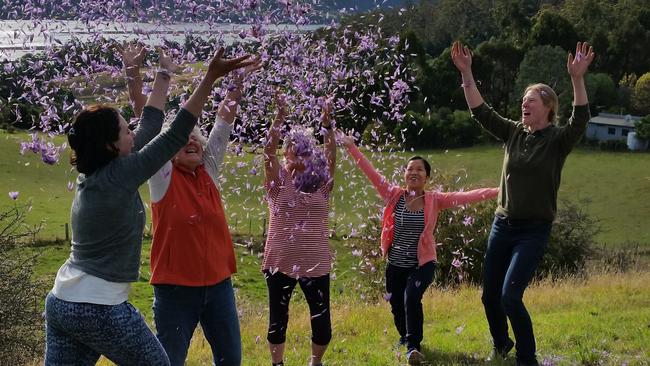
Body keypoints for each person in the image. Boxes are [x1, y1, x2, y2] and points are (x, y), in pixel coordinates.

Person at [44, 46, 255, 365]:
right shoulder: (122, 176)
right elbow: (173, 132)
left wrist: (164, 73)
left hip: (62, 303)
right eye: (125, 130)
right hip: (98, 308)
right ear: (111, 145)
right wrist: (210, 77)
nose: (133, 132)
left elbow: (150, 125)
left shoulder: (101, 172)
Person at [451, 41, 594, 366]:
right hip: (503, 225)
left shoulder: (558, 140)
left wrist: (577, 78)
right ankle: (502, 345)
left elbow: (581, 117)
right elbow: (480, 111)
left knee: (510, 297)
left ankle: (526, 360)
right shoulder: (514, 132)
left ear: (548, 108)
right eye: (523, 101)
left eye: (530, 101)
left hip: (533, 230)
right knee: (490, 296)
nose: (523, 105)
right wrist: (467, 71)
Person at [139, 57, 261, 366]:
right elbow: (153, 130)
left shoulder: (210, 170)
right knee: (169, 362)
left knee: (231, 361)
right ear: (168, 147)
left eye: (194, 135)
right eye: (182, 137)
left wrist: (237, 83)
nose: (190, 139)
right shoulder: (162, 176)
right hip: (175, 292)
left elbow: (223, 124)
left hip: (219, 287)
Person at [340, 135, 498, 365]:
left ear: (427, 177)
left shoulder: (435, 200)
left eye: (420, 170)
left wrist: (499, 190)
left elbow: (466, 197)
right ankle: (404, 337)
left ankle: (414, 347)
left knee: (411, 298)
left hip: (422, 264)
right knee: (396, 304)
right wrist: (352, 147)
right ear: (404, 175)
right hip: (395, 264)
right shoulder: (394, 195)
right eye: (410, 169)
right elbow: (370, 172)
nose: (414, 172)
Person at [262, 96, 336, 366]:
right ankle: (277, 364)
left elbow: (331, 155)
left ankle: (316, 363)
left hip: (316, 264)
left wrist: (327, 125)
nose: (296, 154)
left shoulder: (323, 183)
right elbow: (267, 152)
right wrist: (279, 117)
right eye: (290, 149)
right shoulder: (278, 182)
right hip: (279, 263)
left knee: (322, 321)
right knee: (278, 319)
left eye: (301, 149)